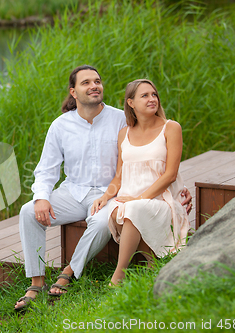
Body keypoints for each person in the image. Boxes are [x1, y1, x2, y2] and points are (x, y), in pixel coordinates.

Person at [14, 67, 192, 311]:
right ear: (73, 91)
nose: (94, 85)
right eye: (86, 82)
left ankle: (69, 271)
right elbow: (46, 169)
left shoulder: (121, 118)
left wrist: (180, 189)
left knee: (100, 223)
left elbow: (155, 150)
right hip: (72, 191)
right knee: (27, 211)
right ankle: (36, 282)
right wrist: (42, 198)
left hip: (110, 194)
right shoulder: (60, 126)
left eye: (97, 81)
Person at [91, 79, 190, 286]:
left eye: (154, 95)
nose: (152, 99)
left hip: (160, 200)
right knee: (117, 208)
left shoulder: (171, 128)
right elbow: (119, 175)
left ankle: (118, 275)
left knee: (133, 209)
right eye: (144, 96)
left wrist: (139, 198)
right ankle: (152, 261)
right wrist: (106, 196)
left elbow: (171, 174)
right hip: (129, 200)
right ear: (131, 103)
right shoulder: (124, 134)